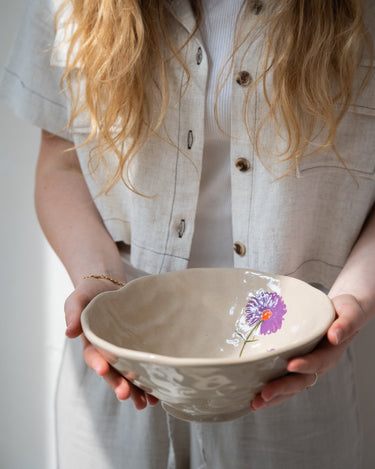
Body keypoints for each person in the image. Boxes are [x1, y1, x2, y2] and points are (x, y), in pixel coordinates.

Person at [1, 0, 375, 467]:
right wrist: (98, 280)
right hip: (124, 349)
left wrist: (355, 298)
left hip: (298, 351)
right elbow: (61, 157)